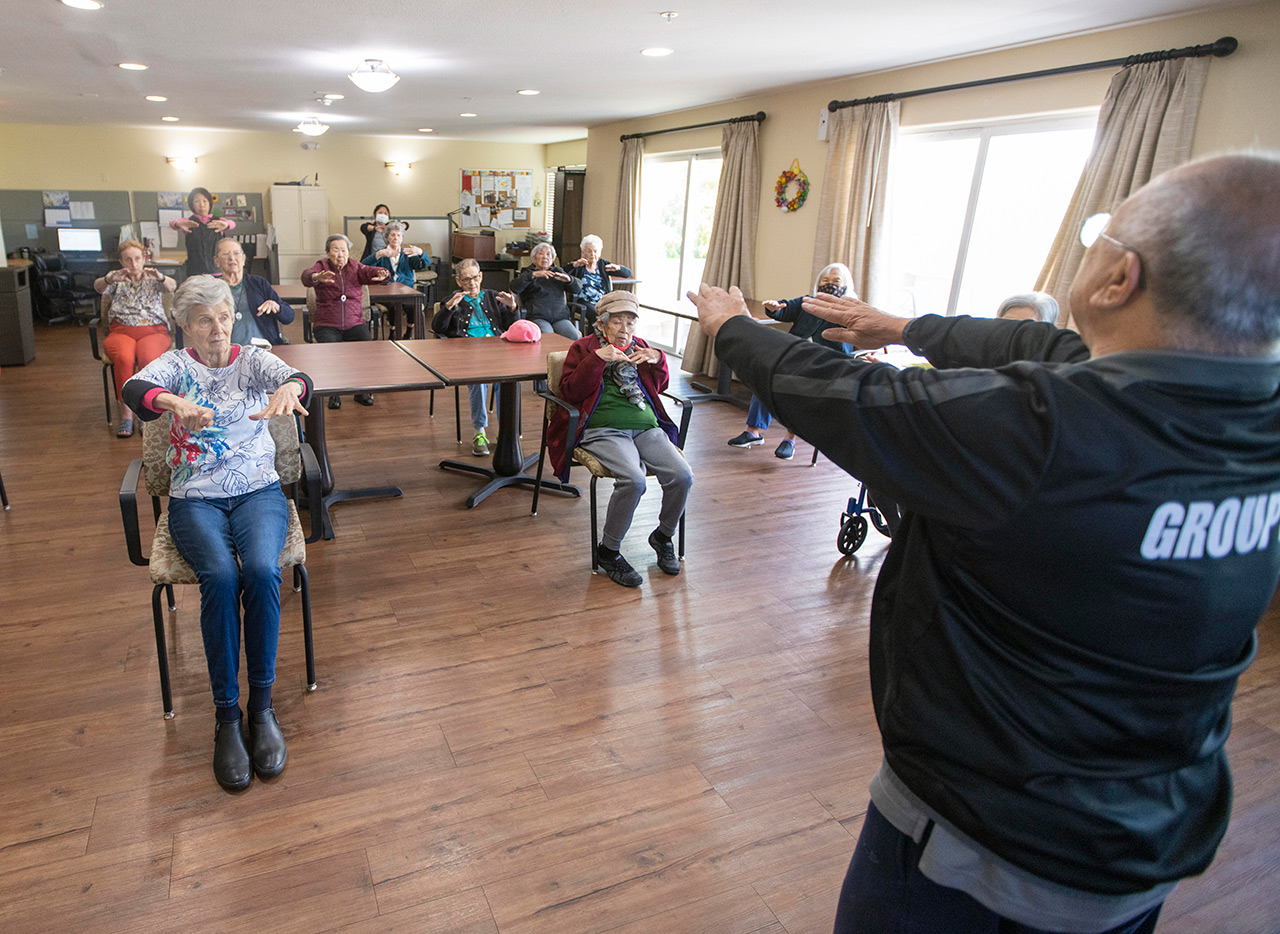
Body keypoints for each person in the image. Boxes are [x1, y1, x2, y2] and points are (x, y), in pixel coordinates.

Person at [687, 152, 1280, 934]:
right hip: (1149, 837)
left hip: (978, 849)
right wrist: (900, 325)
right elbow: (1048, 350)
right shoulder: (1245, 419)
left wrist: (733, 328)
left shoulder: (1042, 433)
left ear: (1118, 279)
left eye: (1100, 236)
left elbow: (853, 398)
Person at [121, 275, 313, 792]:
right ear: (185, 325)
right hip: (195, 498)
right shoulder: (176, 365)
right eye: (205, 319)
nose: (218, 328)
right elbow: (133, 387)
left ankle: (262, 709)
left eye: (225, 316)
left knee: (261, 569)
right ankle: (227, 717)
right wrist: (173, 403)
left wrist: (292, 388)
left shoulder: (250, 358)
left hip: (258, 492)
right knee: (222, 578)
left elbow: (294, 375)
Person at [548, 291, 693, 588]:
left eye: (630, 322)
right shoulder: (582, 348)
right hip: (602, 429)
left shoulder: (640, 347)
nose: (625, 330)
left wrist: (657, 359)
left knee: (682, 475)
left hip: (646, 426)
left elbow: (661, 385)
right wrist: (596, 360)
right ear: (601, 325)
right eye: (617, 322)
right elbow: (570, 392)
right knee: (634, 479)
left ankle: (663, 536)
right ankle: (609, 551)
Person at [726, 263, 857, 460]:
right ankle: (753, 432)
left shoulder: (850, 310)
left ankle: (790, 439)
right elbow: (784, 309)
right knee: (766, 375)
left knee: (800, 387)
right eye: (825, 281)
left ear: (846, 285)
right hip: (795, 355)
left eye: (836, 282)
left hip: (827, 364)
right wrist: (774, 308)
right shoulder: (808, 301)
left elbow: (852, 342)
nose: (830, 285)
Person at [431, 258, 520, 455]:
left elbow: (513, 326)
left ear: (481, 276)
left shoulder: (494, 297)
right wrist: (447, 308)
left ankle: (506, 432)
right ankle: (480, 432)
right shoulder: (455, 299)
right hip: (468, 353)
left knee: (508, 380)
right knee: (479, 382)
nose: (471, 283)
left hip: (497, 350)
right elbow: (438, 328)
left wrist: (513, 308)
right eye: (466, 280)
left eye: (474, 278)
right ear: (458, 281)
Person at [93, 239, 176, 437]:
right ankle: (127, 415)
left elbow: (172, 287)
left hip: (153, 330)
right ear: (121, 262)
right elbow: (97, 287)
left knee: (148, 359)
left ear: (143, 258)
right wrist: (109, 278)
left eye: (137, 258)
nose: (133, 264)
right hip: (121, 330)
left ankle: (146, 411)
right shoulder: (116, 279)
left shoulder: (153, 278)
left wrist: (161, 276)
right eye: (128, 260)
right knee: (124, 358)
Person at [300, 234, 389, 408]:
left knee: (365, 349)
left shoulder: (355, 266)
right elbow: (306, 276)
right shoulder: (322, 266)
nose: (340, 254)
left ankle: (361, 391)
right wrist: (317, 277)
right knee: (332, 353)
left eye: (344, 250)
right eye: (336, 250)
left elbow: (368, 272)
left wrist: (381, 274)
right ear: (327, 252)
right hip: (327, 324)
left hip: (354, 322)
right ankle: (334, 393)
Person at [212, 237, 294, 346]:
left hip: (263, 350)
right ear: (216, 261)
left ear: (244, 259)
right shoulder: (212, 289)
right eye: (226, 254)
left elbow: (289, 317)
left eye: (236, 253)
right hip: (226, 353)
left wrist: (276, 306)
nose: (232, 258)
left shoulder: (258, 283)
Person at [362, 221, 429, 338]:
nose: (395, 238)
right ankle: (392, 333)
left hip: (406, 290)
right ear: (387, 237)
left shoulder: (407, 253)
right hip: (386, 291)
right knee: (393, 305)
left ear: (402, 238)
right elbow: (363, 265)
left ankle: (408, 332)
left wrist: (420, 253)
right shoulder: (382, 253)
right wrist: (379, 253)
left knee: (411, 306)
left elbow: (424, 264)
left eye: (398, 235)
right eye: (392, 235)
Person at [512, 242, 582, 339]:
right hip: (538, 317)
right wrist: (533, 275)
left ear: (552, 258)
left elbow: (577, 289)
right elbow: (514, 287)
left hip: (559, 317)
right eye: (541, 254)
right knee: (548, 336)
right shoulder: (527, 273)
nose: (545, 257)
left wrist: (569, 280)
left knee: (574, 337)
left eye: (548, 254)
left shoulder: (558, 272)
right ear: (534, 258)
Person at [568, 234, 632, 329]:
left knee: (619, 312)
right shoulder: (579, 265)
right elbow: (563, 274)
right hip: (584, 301)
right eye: (589, 251)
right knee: (597, 314)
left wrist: (618, 268)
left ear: (600, 252)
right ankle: (594, 340)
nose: (592, 254)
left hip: (604, 301)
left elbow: (627, 273)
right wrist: (573, 265)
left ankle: (613, 338)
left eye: (595, 251)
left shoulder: (603, 265)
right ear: (583, 252)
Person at [169, 187, 235, 276]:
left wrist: (226, 225)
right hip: (195, 273)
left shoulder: (218, 221)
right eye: (197, 201)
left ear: (209, 203)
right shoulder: (189, 222)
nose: (202, 205)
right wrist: (178, 224)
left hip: (217, 272)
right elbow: (172, 224)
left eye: (205, 201)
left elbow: (232, 224)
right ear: (192, 205)